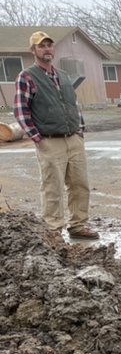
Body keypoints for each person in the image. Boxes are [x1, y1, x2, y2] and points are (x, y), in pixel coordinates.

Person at [14, 30, 98, 240]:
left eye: (49, 45)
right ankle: (53, 230)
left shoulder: (63, 76)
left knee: (80, 185)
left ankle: (78, 225)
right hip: (49, 140)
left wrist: (80, 130)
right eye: (42, 46)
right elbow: (20, 110)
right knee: (53, 187)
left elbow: (73, 104)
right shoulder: (27, 77)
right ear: (33, 50)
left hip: (73, 138)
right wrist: (37, 138)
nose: (47, 49)